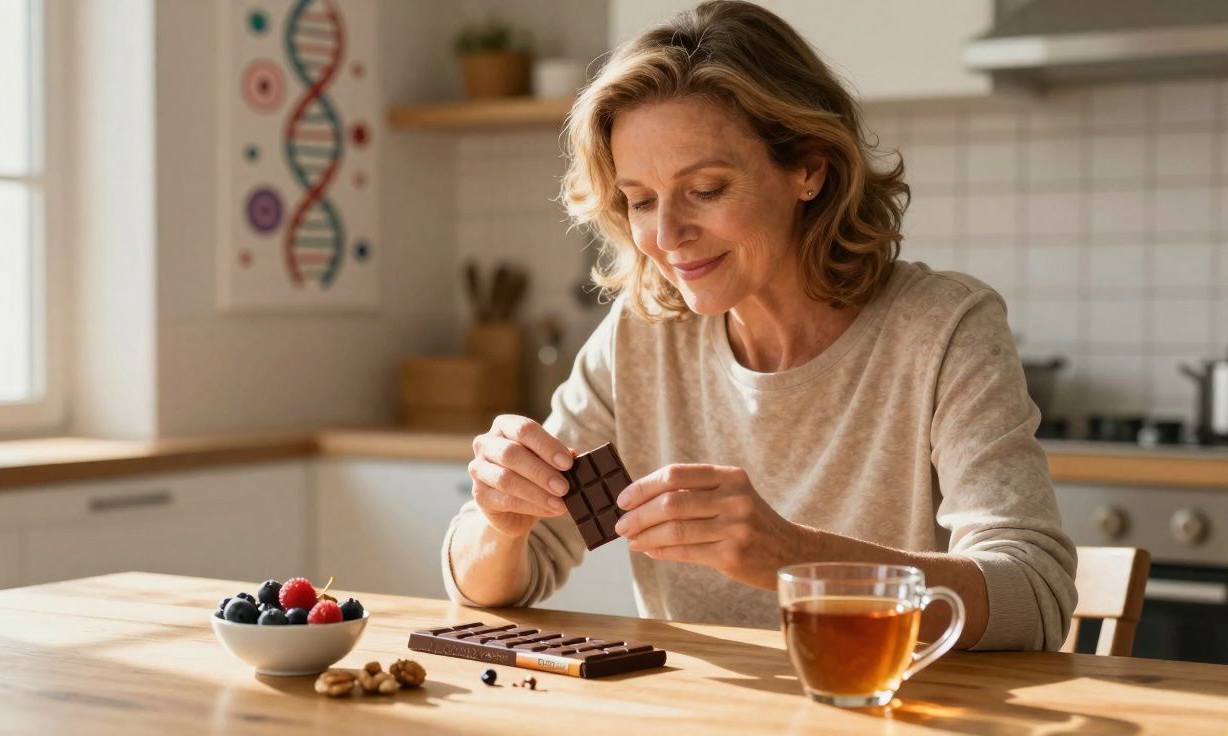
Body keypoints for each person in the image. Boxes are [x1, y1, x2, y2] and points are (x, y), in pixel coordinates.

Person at [440, 0, 1077, 651]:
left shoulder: (942, 331)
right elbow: (488, 587)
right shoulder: (642, 338)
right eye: (640, 200)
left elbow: (1035, 596)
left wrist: (795, 558)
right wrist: (501, 522)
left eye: (706, 190)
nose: (667, 236)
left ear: (808, 166)